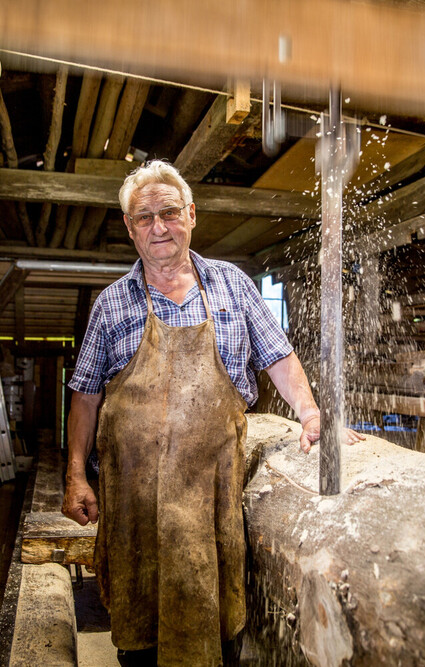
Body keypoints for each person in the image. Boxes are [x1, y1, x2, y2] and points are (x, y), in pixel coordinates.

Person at [62, 160, 362, 666]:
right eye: (144, 217)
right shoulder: (111, 304)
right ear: (130, 228)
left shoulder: (232, 285)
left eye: (169, 212)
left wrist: (312, 415)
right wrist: (75, 475)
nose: (159, 227)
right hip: (133, 502)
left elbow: (278, 357)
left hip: (213, 495)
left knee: (217, 626)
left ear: (192, 215)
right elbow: (86, 396)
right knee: (140, 637)